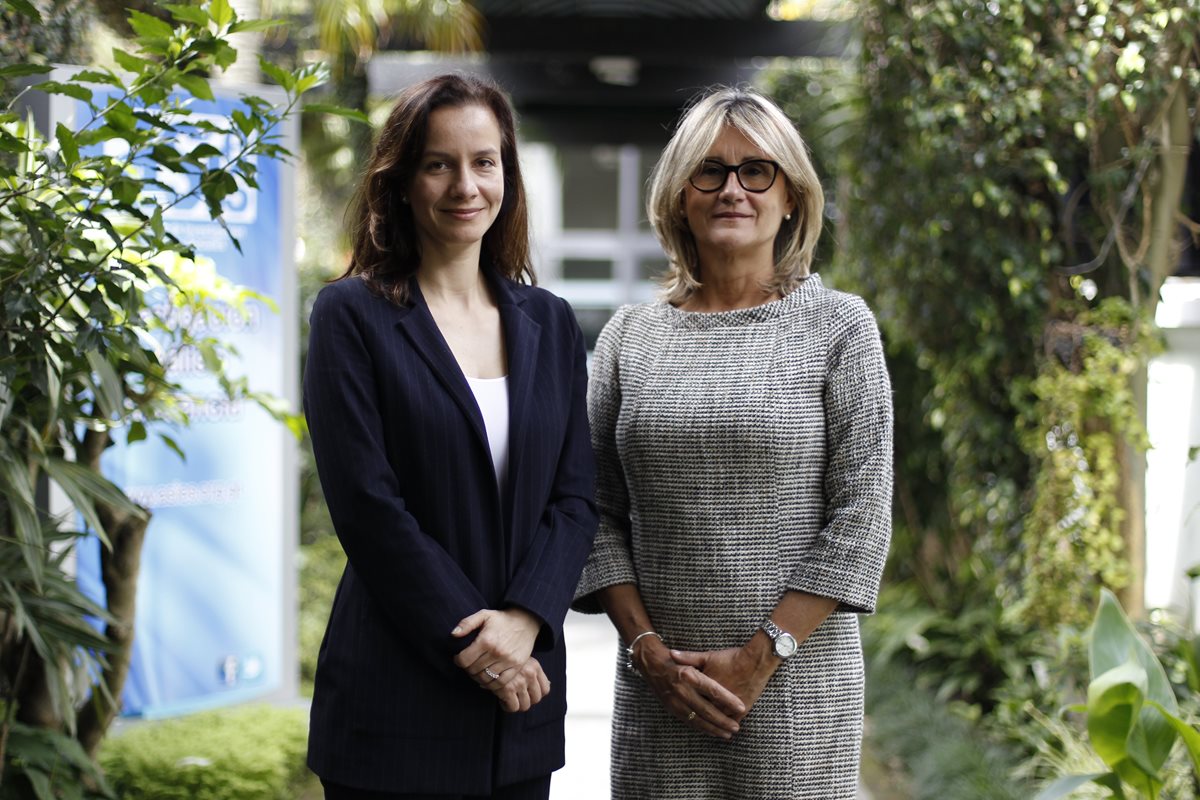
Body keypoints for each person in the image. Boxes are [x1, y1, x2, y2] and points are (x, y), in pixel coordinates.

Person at [573, 85, 893, 799]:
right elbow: (592, 510)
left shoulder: (839, 326)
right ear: (679, 195)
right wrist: (648, 652)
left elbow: (863, 516)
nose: (732, 189)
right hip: (660, 692)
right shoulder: (631, 336)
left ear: (792, 197)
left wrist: (761, 655)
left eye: (757, 170)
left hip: (798, 688)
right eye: (708, 170)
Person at [303, 73, 598, 800]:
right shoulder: (351, 317)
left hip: (520, 710)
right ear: (402, 181)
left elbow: (575, 498)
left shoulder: (550, 321)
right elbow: (369, 508)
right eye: (439, 163)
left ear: (507, 173)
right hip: (394, 700)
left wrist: (526, 618)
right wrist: (481, 647)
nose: (465, 184)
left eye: (484, 161)